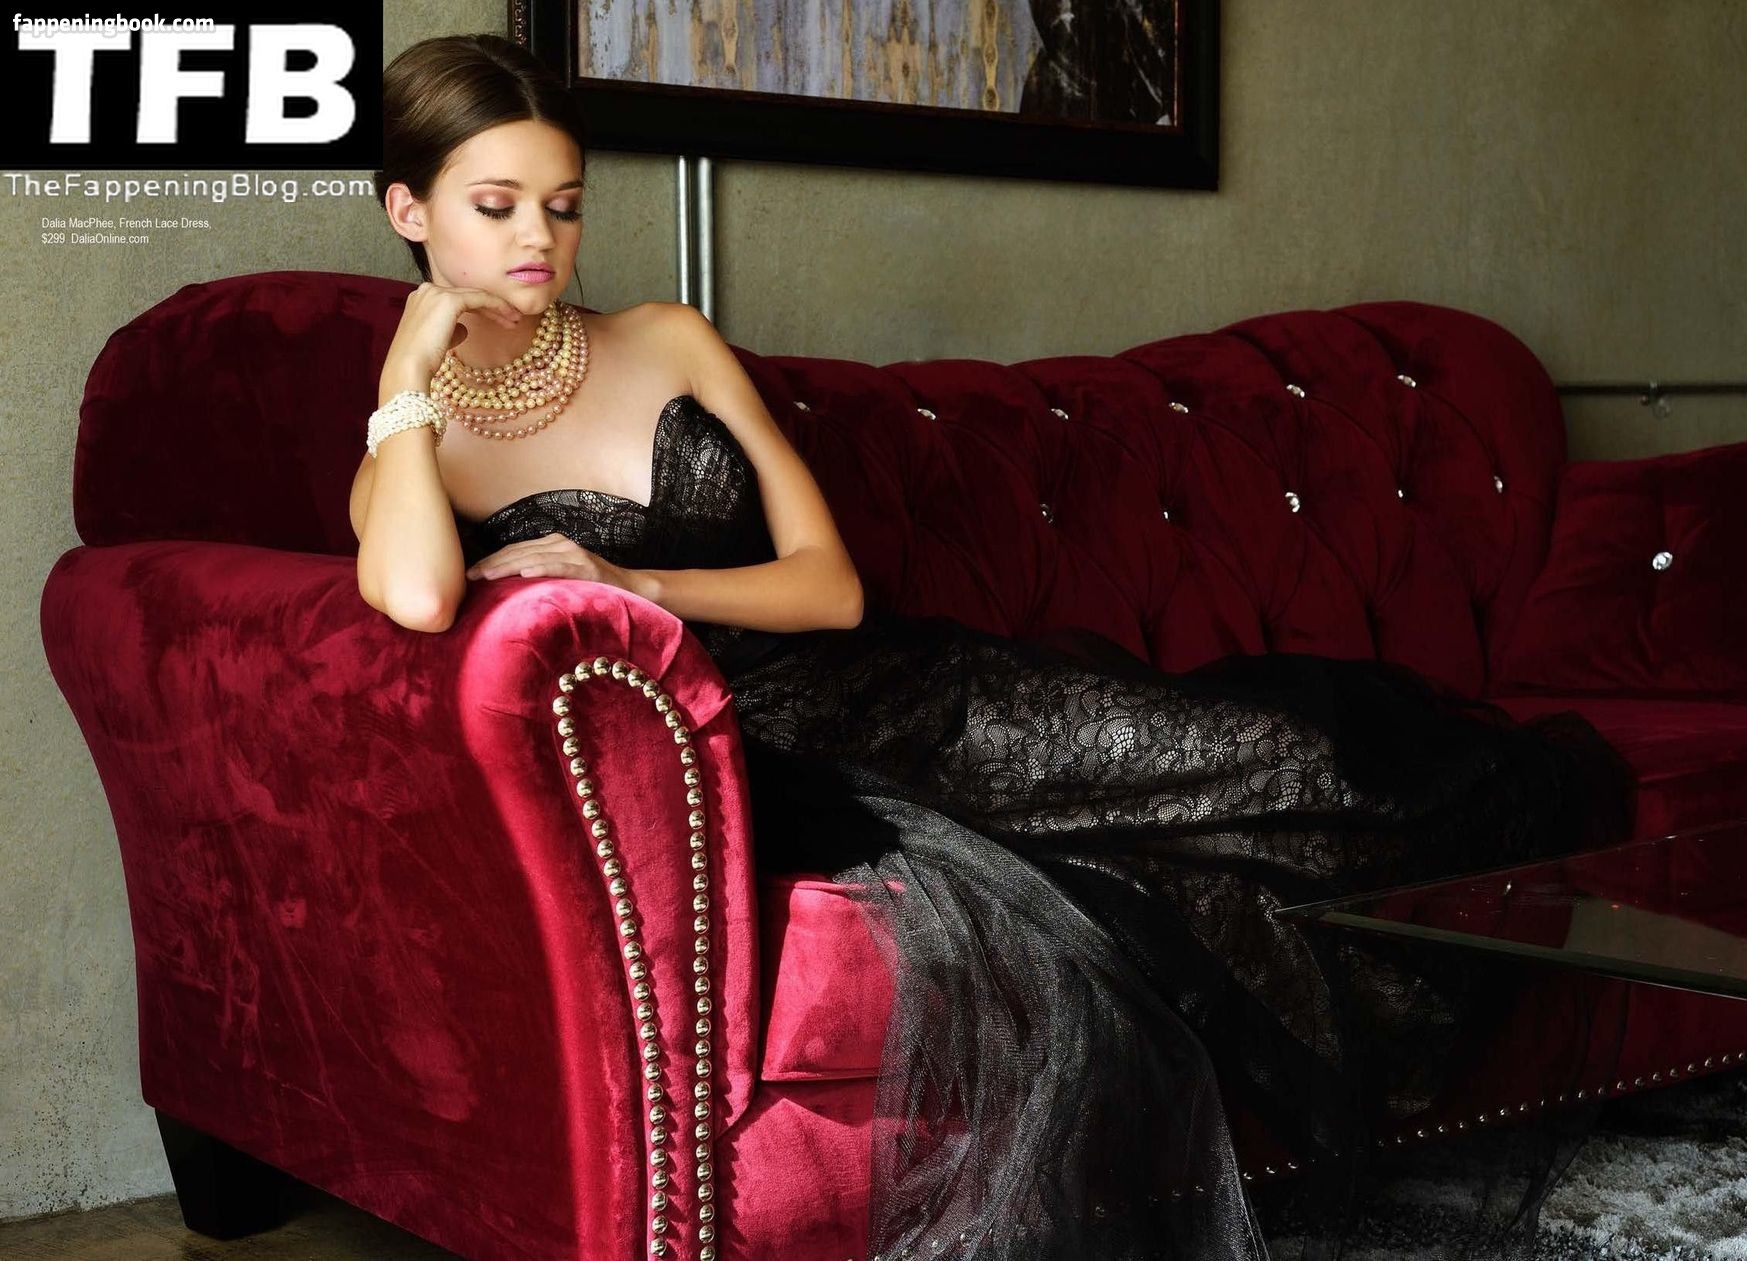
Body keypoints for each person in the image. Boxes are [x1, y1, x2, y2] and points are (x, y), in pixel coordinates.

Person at [355, 33, 1640, 1261]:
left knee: (1307, 765)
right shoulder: (415, 448)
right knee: (1168, 890)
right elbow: (414, 594)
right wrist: (410, 372)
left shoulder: (665, 339)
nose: (540, 240)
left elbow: (832, 589)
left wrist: (629, 578)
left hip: (906, 692)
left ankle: (1487, 908)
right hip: (781, 770)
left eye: (564, 205)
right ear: (408, 209)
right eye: (497, 207)